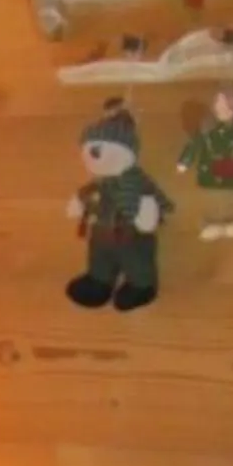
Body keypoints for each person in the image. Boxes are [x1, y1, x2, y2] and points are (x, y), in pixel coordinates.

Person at [66, 103, 171, 312]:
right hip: (101, 235)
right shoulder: (98, 185)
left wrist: (146, 214)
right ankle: (100, 280)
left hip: (129, 236)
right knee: (99, 258)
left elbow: (147, 203)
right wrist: (79, 202)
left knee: (137, 261)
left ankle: (142, 285)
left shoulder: (136, 184)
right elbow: (85, 197)